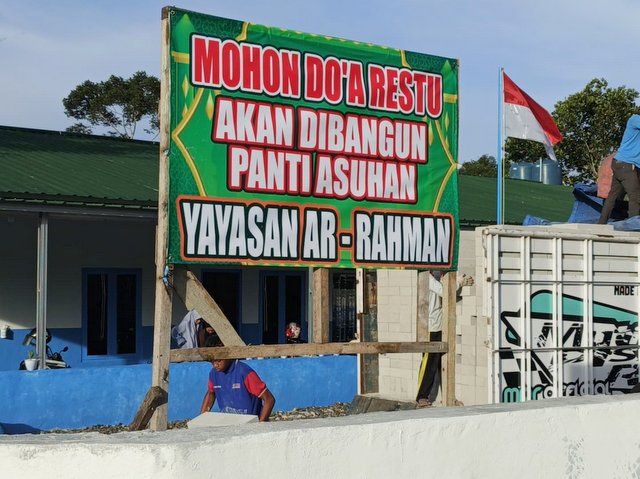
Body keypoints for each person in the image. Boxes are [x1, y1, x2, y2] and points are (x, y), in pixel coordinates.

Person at [416, 271, 474, 408]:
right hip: (430, 327)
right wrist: (459, 282)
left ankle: (448, 397)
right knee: (429, 362)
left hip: (438, 325)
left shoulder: (432, 277)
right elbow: (443, 291)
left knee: (440, 362)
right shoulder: (426, 277)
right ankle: (421, 396)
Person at [200, 358, 276, 422]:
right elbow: (211, 393)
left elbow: (269, 399)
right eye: (212, 362)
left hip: (251, 424)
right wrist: (201, 420)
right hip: (229, 424)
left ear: (229, 357)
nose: (215, 365)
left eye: (219, 361)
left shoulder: (245, 372)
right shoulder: (213, 373)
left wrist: (261, 425)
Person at [598, 114, 640, 224]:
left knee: (612, 196)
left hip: (620, 163)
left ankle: (601, 223)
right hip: (626, 165)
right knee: (635, 197)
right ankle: (633, 225)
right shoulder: (635, 119)